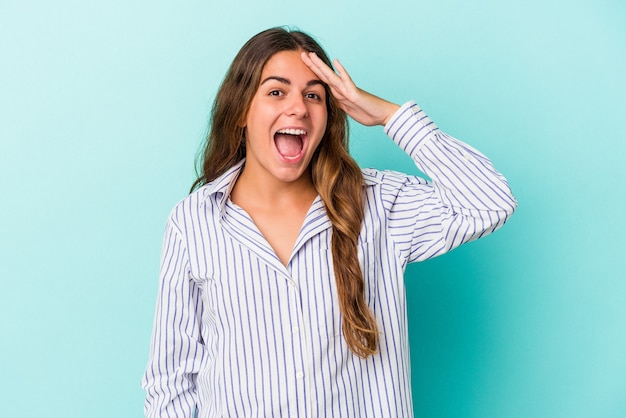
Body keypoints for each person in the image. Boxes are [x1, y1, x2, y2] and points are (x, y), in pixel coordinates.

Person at [142, 27, 517, 418]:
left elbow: (490, 201)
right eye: (276, 91)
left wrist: (390, 116)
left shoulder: (378, 205)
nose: (298, 108)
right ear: (240, 112)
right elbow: (171, 379)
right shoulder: (193, 222)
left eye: (313, 95)